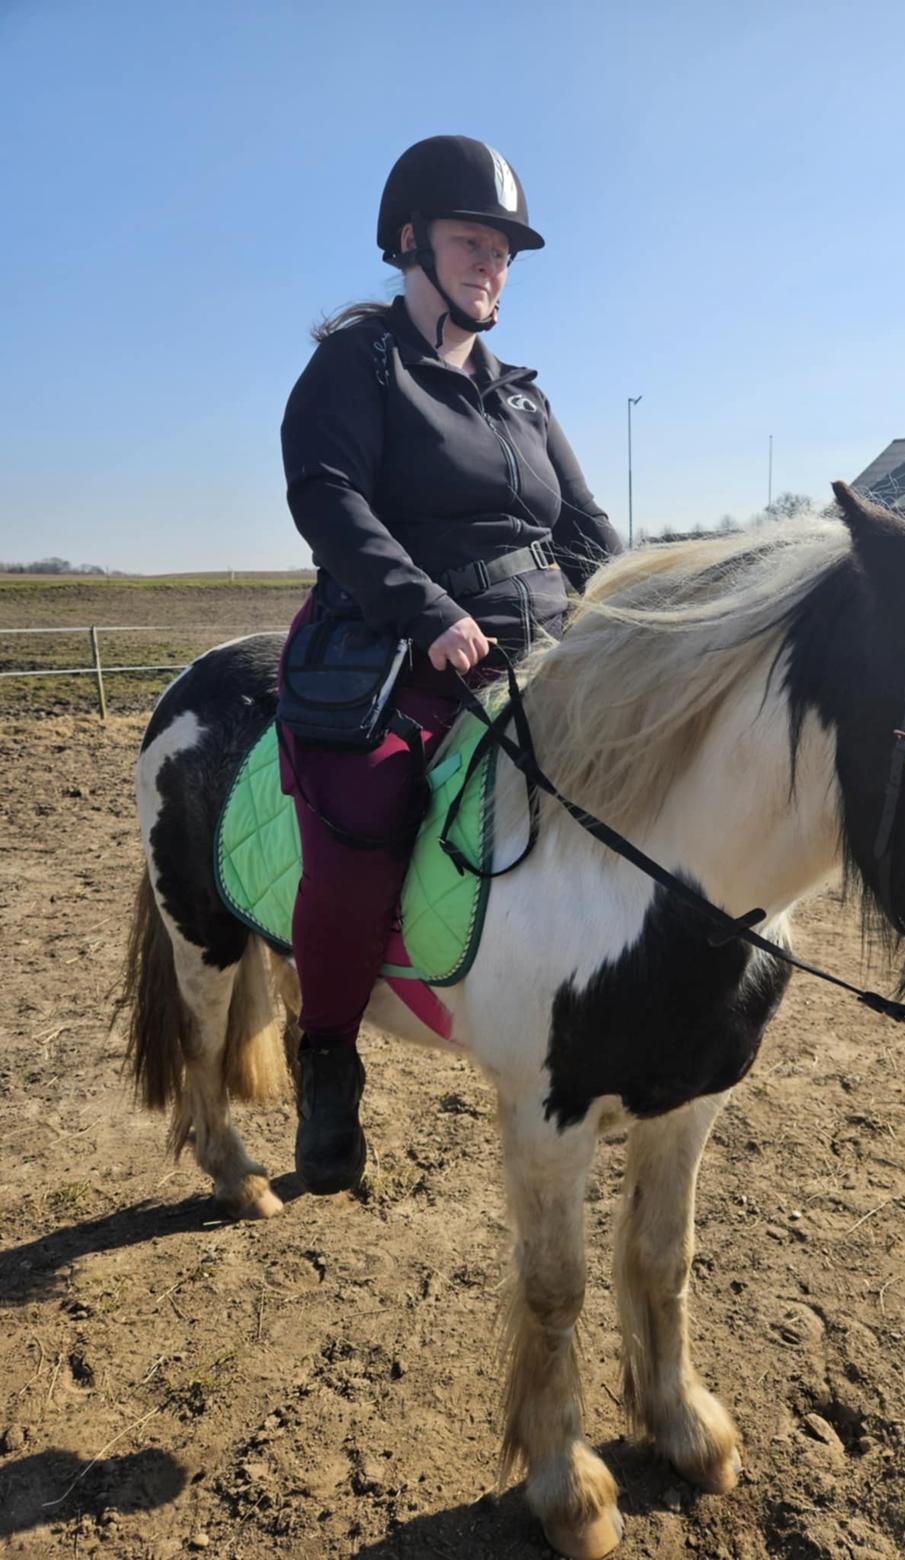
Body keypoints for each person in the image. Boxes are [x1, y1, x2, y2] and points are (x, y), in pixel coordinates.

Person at [279, 135, 622, 1196]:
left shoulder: (523, 397)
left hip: (541, 649)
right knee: (366, 813)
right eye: (474, 243)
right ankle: (328, 1053)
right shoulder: (359, 367)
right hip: (401, 650)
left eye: (506, 253)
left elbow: (589, 532)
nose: (493, 267)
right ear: (410, 242)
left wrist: (646, 620)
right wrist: (428, 613)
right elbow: (328, 497)